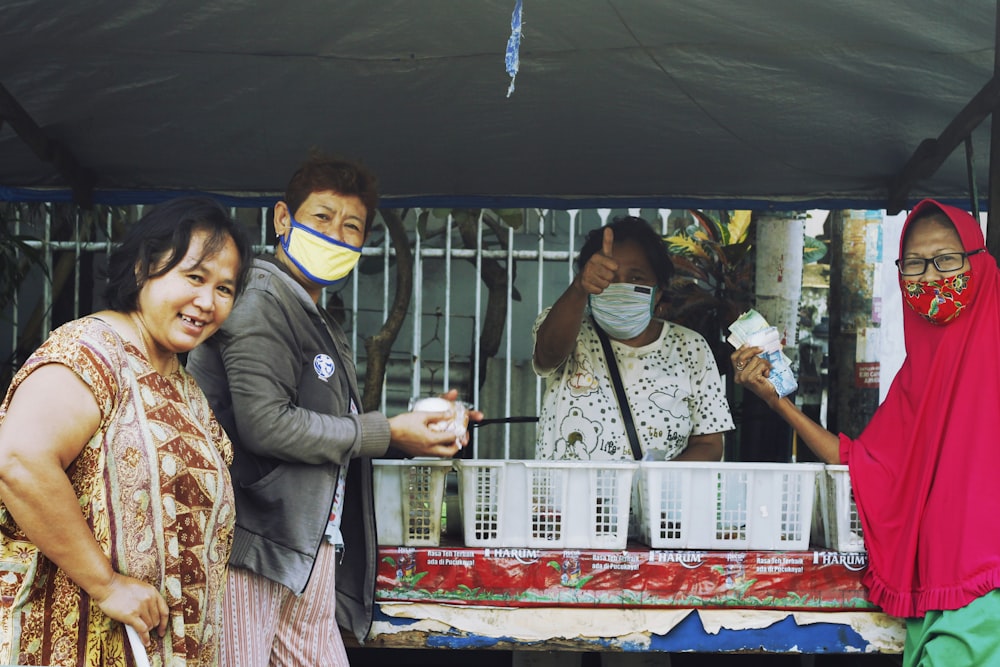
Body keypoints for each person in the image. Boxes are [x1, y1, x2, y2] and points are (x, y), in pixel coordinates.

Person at [186, 153, 478, 666]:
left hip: (305, 544)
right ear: (283, 219)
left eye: (352, 226)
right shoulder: (260, 298)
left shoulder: (310, 312)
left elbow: (331, 426)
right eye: (321, 217)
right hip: (251, 546)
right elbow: (266, 424)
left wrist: (420, 429)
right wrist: (388, 432)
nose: (336, 236)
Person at [732, 199, 1000, 666]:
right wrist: (776, 400)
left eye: (947, 260)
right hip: (938, 591)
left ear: (979, 263)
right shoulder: (919, 377)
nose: (931, 277)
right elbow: (863, 463)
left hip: (985, 594)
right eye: (915, 264)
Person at [0, 196, 254, 666]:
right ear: (142, 269)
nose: (207, 301)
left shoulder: (185, 386)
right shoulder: (90, 352)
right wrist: (106, 583)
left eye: (225, 288)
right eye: (194, 277)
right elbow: (19, 461)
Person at [532, 215, 733, 462]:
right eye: (608, 276)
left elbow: (710, 442)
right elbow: (547, 354)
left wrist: (656, 486)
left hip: (654, 500)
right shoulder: (568, 327)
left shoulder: (690, 347)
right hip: (567, 499)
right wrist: (578, 288)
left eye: (636, 278)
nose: (621, 286)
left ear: (658, 292)